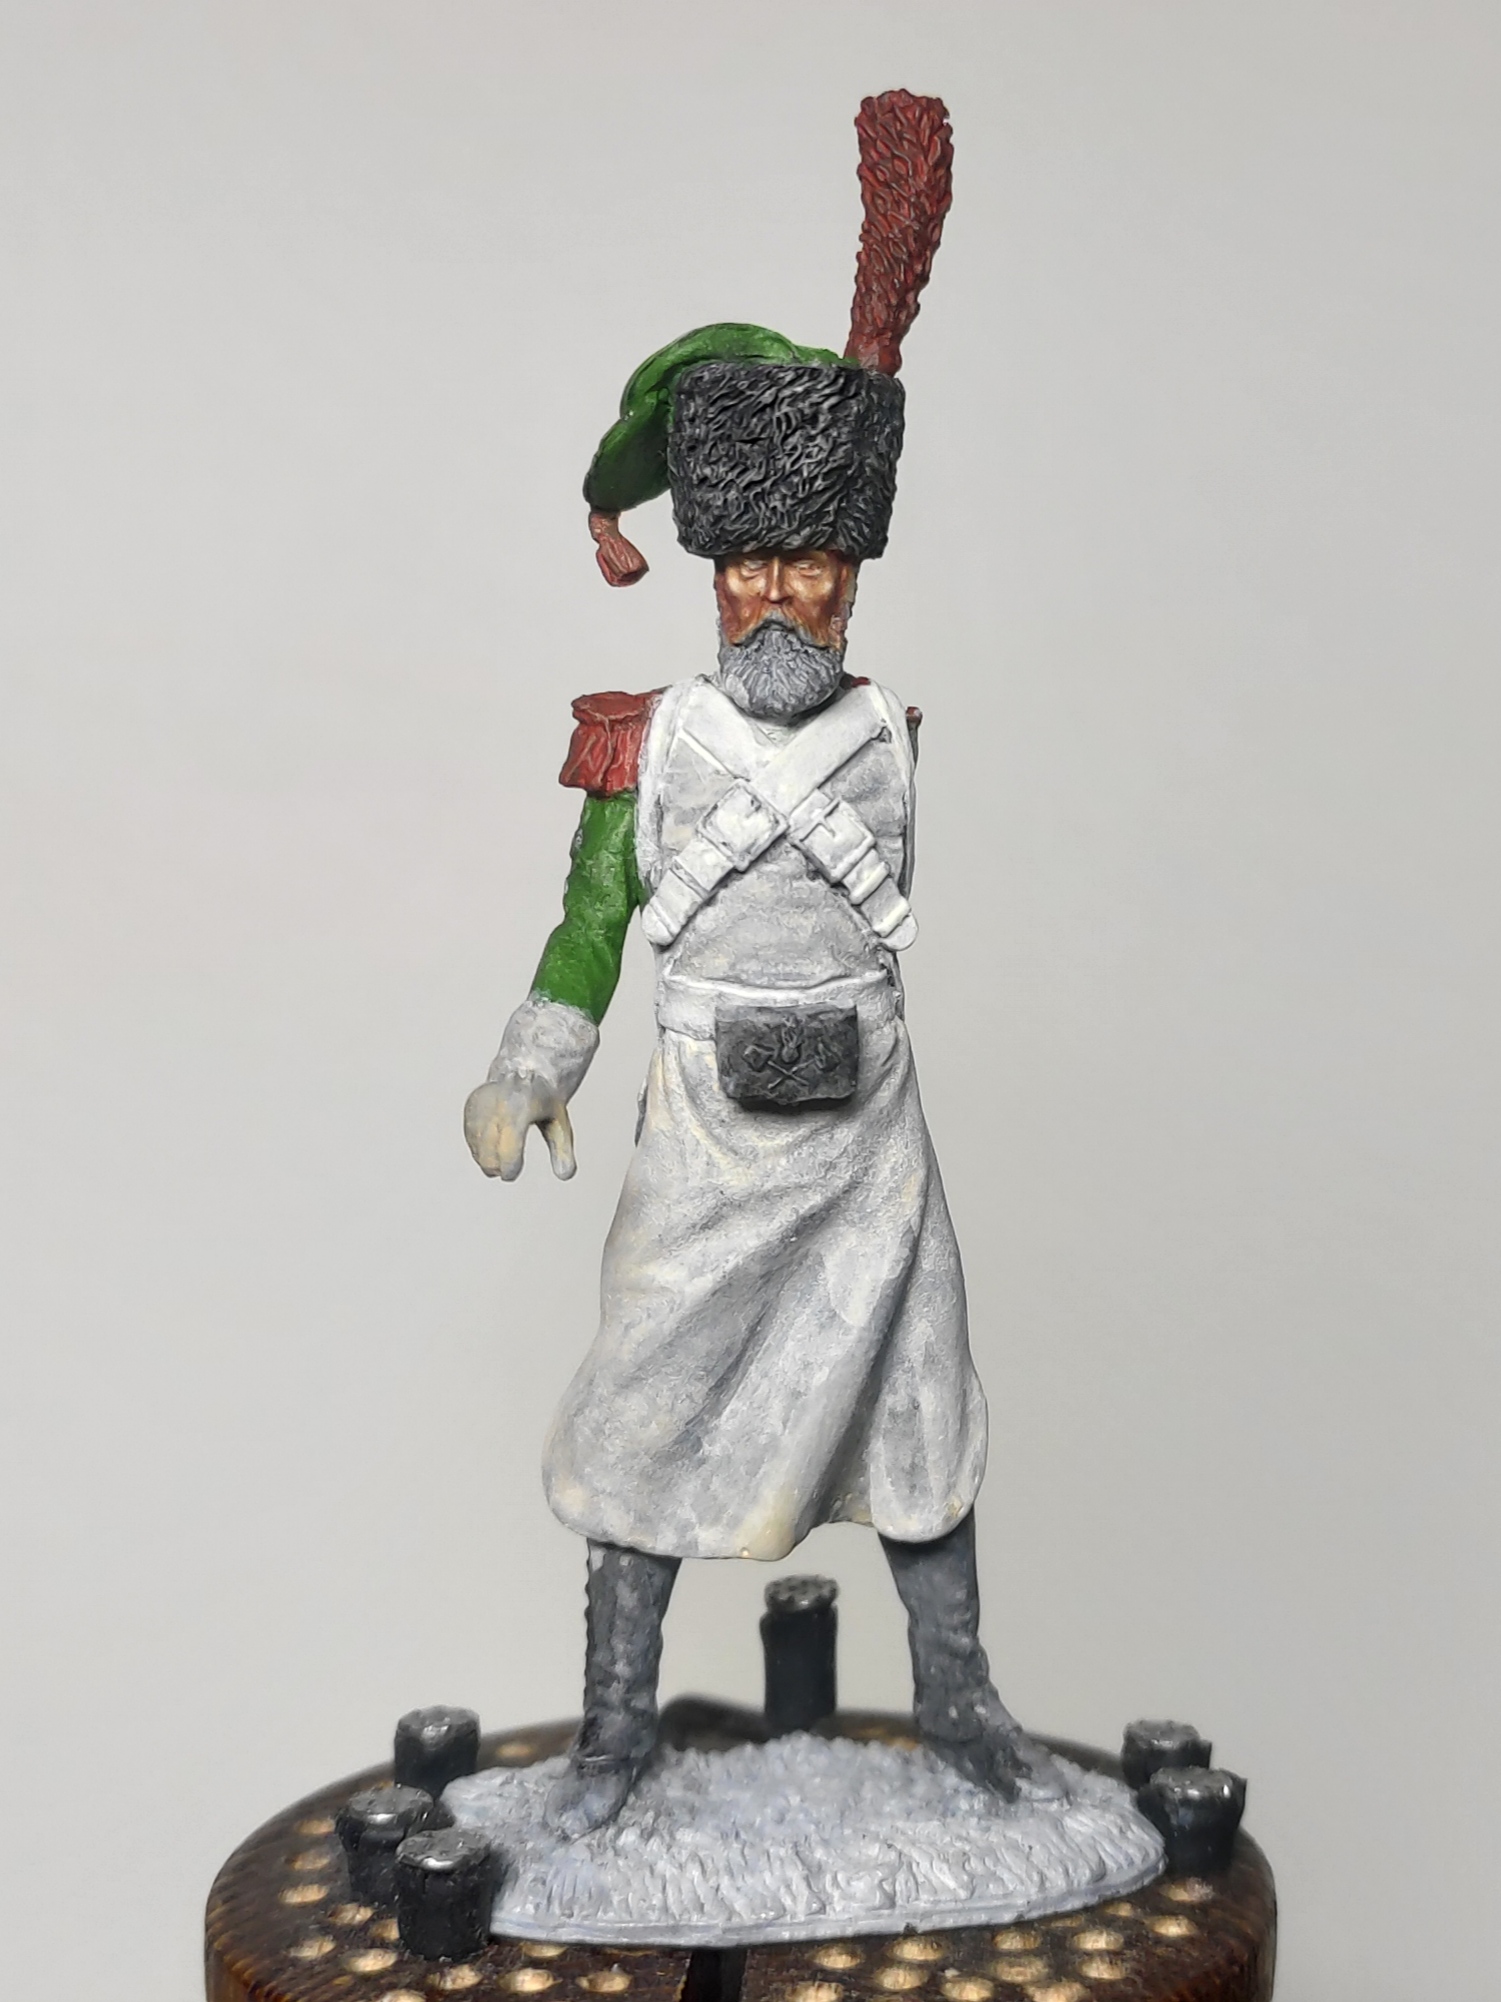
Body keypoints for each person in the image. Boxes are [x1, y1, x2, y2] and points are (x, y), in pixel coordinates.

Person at [464, 94, 1065, 1839]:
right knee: (644, 1410)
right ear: (714, 573)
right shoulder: (641, 745)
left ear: (851, 571)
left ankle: (960, 1706)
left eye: (812, 563)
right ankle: (610, 1739)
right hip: (706, 1140)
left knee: (921, 1411)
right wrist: (529, 1064)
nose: (782, 594)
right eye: (751, 566)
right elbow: (592, 920)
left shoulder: (894, 737)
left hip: (868, 1142)